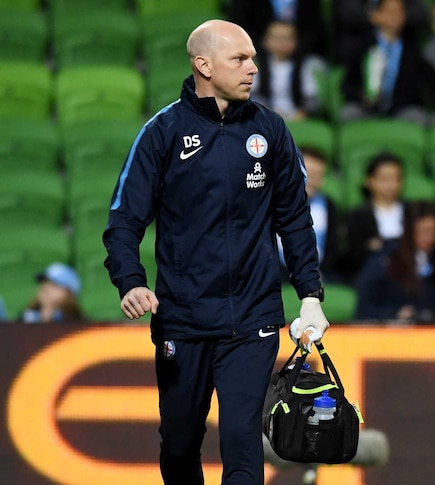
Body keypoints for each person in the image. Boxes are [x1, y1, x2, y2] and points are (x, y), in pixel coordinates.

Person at [103, 20, 330, 485]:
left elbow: (295, 220)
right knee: (181, 444)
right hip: (183, 319)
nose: (253, 68)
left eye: (252, 57)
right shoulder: (162, 132)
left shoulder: (272, 131)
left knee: (242, 441)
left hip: (254, 318)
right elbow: (124, 220)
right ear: (203, 65)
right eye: (240, 59)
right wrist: (131, 282)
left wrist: (310, 294)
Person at [339, 0, 435, 123]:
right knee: (348, 113)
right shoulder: (363, 47)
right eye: (389, 11)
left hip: (399, 111)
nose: (394, 16)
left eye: (399, 12)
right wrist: (362, 97)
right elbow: (347, 85)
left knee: (417, 116)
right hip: (366, 109)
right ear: (375, 15)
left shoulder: (411, 50)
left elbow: (430, 85)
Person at [354, 200, 435, 322]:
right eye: (422, 232)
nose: (429, 238)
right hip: (393, 331)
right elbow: (365, 307)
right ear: (409, 231)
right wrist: (395, 313)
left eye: (433, 232)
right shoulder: (387, 259)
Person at [276, 146, 343, 282]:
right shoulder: (273, 201)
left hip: (319, 273)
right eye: (307, 173)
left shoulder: (329, 205)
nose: (311, 181)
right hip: (277, 274)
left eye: (317, 175)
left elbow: (333, 248)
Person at [339, 151, 407, 282]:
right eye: (384, 179)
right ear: (369, 181)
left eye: (396, 179)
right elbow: (352, 256)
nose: (390, 185)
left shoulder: (411, 213)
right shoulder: (356, 217)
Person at [250, 20, 327, 120]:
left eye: (287, 38)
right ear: (266, 41)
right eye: (277, 38)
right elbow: (253, 95)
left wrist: (304, 112)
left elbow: (312, 98)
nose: (282, 43)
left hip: (299, 116)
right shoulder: (255, 64)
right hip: (266, 114)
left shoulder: (309, 64)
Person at [19, 262, 84, 323]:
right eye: (44, 282)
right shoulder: (25, 318)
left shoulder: (78, 324)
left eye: (54, 285)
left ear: (69, 293)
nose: (46, 288)